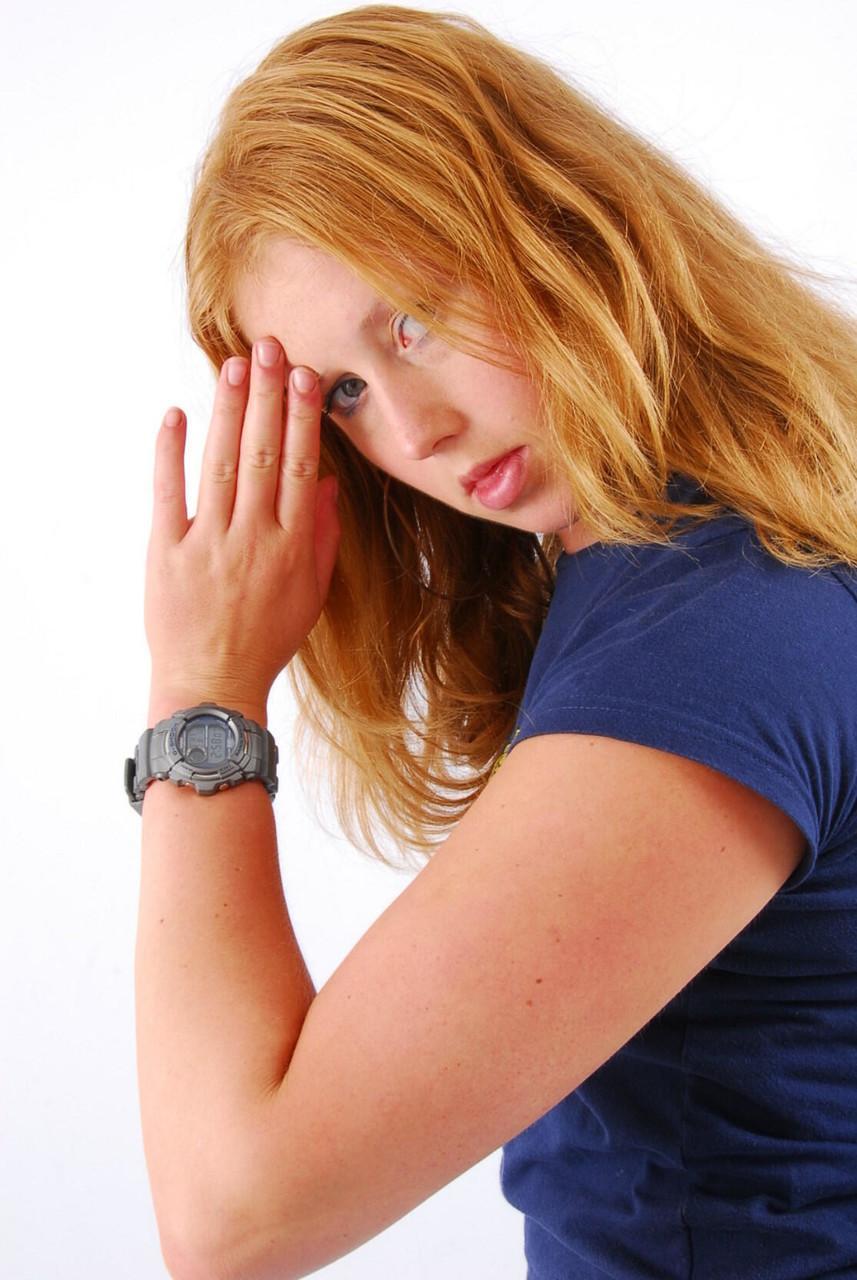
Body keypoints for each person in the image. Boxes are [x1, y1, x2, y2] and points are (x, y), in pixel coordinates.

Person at [129, 6, 857, 1278]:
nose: (413, 432)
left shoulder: (712, 632)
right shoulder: (748, 525)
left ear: (553, 215)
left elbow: (234, 1215)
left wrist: (203, 685)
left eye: (410, 319)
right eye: (342, 393)